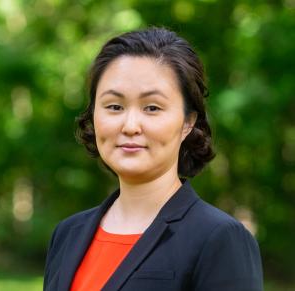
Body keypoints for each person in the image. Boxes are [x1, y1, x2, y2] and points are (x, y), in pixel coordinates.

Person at [43, 27, 263, 291]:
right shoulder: (67, 234)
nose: (130, 125)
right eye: (114, 106)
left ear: (187, 122)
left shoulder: (219, 238)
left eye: (152, 108)